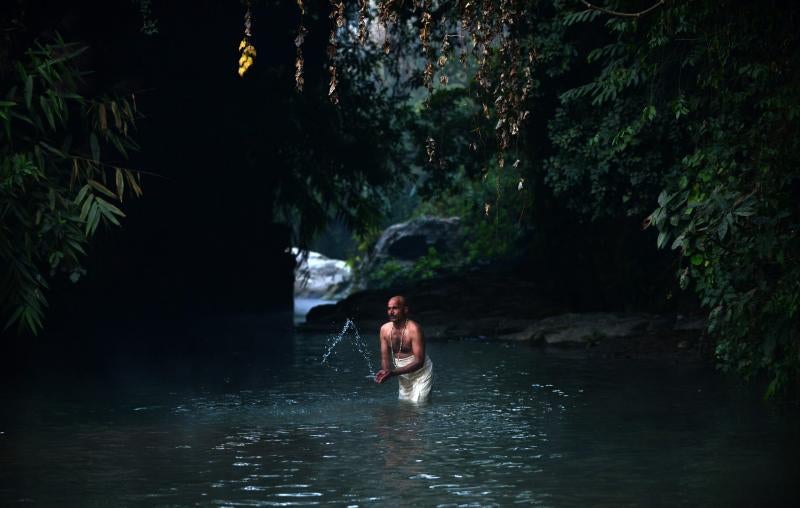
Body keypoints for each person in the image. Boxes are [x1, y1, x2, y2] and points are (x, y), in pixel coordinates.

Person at [374, 295, 433, 402]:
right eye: (389, 308)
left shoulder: (414, 329)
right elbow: (385, 358)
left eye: (395, 308)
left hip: (421, 374)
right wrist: (385, 372)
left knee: (419, 406)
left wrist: (392, 373)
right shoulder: (384, 329)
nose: (391, 312)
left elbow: (419, 361)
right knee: (405, 407)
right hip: (402, 374)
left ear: (405, 309)